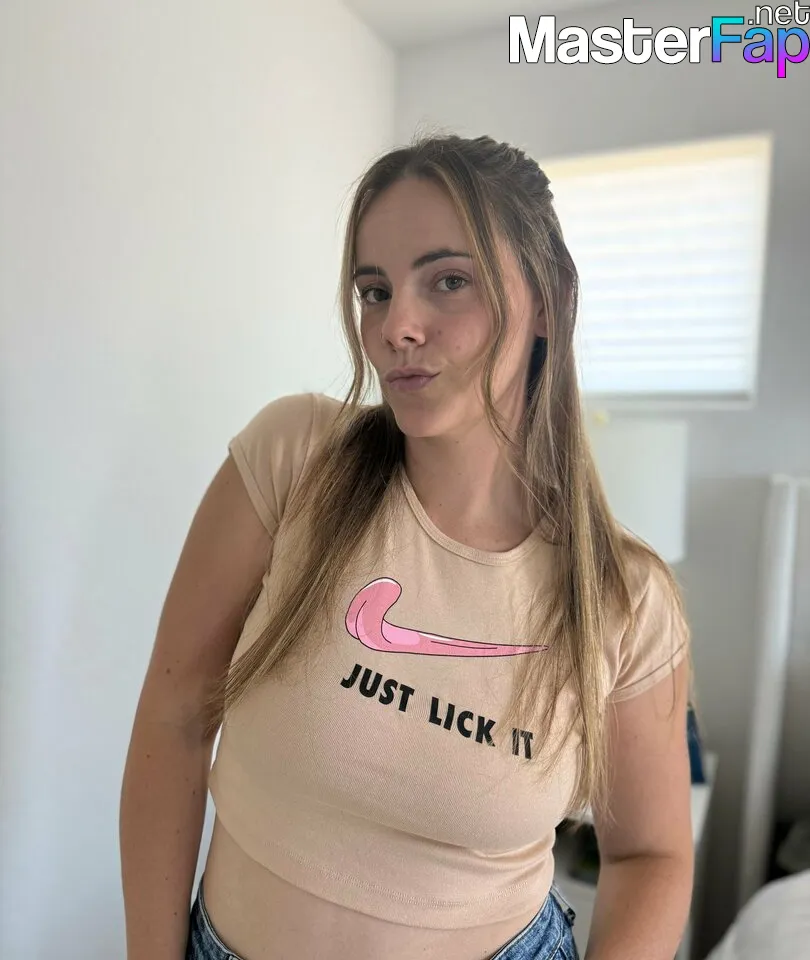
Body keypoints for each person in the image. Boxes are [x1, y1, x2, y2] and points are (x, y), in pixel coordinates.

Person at [120, 133, 695, 960]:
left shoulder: (625, 596)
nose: (397, 327)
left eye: (449, 281)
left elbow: (651, 854)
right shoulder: (295, 459)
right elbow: (174, 722)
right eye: (375, 291)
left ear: (550, 301)